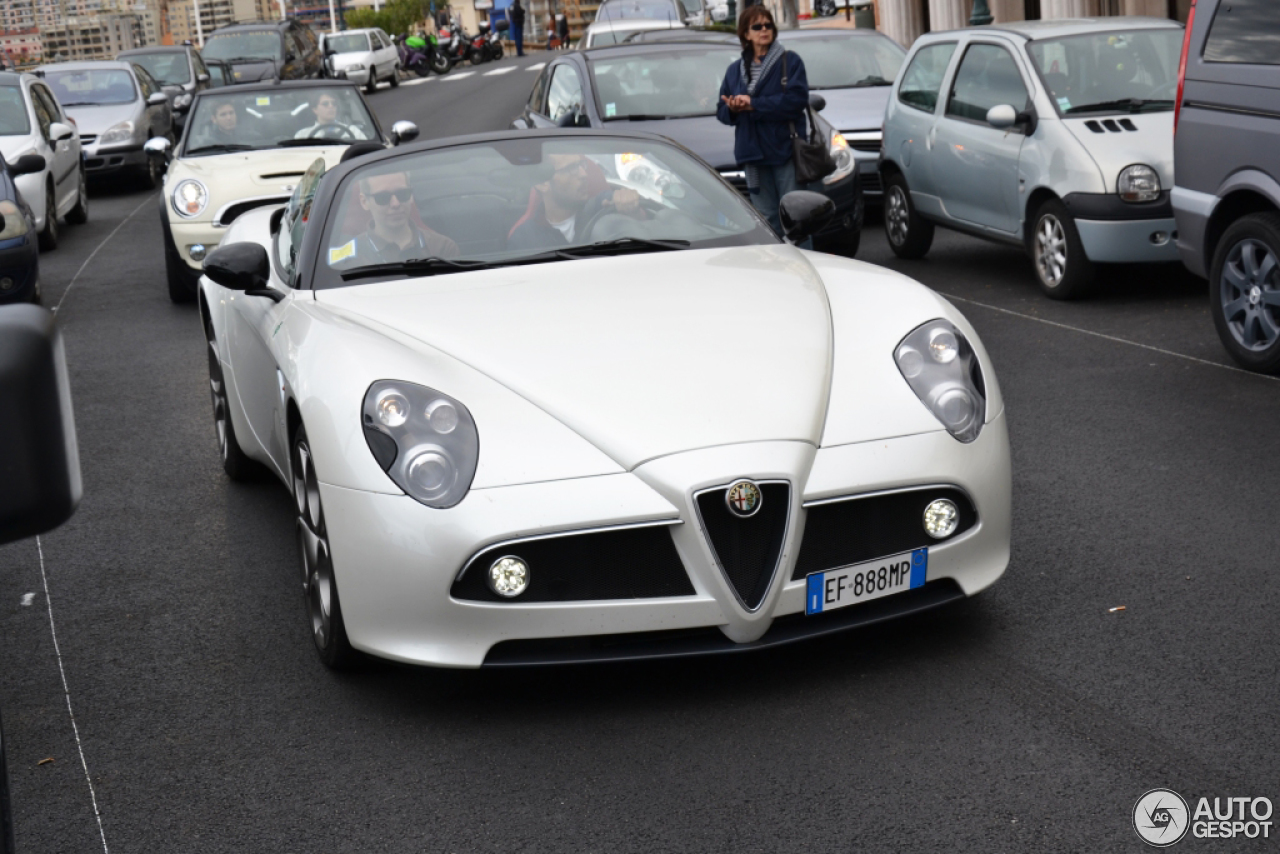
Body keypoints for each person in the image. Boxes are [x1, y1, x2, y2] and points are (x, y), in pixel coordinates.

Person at [716, 5, 810, 241]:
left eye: (768, 25)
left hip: (785, 151)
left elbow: (796, 101)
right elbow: (721, 112)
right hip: (753, 155)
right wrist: (734, 108)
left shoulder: (790, 61)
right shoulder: (734, 71)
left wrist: (754, 104)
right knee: (767, 222)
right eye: (757, 26)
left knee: (796, 220)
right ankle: (776, 273)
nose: (764, 30)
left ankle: (805, 271)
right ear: (746, 34)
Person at [508, 153, 643, 251]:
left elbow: (648, 226)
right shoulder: (523, 239)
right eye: (571, 168)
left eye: (581, 165)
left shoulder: (604, 206)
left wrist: (631, 207)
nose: (584, 174)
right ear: (543, 183)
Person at [331, 172, 459, 266]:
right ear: (364, 202)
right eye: (383, 197)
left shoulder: (443, 249)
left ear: (411, 196)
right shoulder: (344, 259)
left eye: (402, 194)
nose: (395, 204)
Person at [294, 92, 369, 141]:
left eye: (334, 103)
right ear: (315, 109)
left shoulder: (353, 131)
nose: (331, 106)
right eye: (325, 104)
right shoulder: (302, 135)